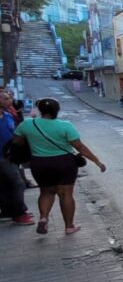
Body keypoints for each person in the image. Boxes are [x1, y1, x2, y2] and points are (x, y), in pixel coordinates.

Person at [9, 97, 105, 235]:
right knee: (65, 194)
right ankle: (69, 226)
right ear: (57, 110)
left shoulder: (27, 125)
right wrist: (97, 161)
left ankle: (43, 218)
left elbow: (17, 142)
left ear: (40, 110)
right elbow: (79, 147)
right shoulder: (65, 125)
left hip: (40, 163)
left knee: (46, 192)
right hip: (64, 163)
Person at [0, 98, 33, 226]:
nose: (10, 99)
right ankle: (19, 213)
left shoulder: (7, 115)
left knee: (5, 184)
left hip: (10, 155)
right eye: (5, 97)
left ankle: (7, 211)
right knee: (18, 183)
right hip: (2, 157)